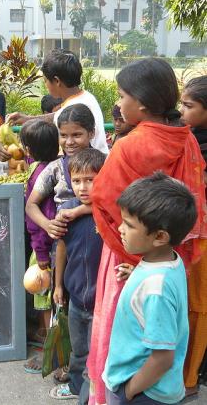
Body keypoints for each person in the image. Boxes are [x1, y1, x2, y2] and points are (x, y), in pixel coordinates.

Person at [87, 58, 207, 405]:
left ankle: (117, 392)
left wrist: (132, 257)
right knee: (162, 330)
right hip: (170, 254)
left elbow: (105, 201)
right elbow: (194, 202)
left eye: (122, 95)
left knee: (120, 328)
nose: (119, 103)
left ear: (141, 103)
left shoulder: (129, 146)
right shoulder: (186, 140)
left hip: (127, 254)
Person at [103, 172, 197, 405]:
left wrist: (128, 392)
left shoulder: (155, 289)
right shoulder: (169, 262)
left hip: (143, 392)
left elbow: (163, 358)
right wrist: (137, 276)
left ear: (159, 237)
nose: (120, 229)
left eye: (129, 225)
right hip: (146, 387)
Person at [50, 148, 106, 402]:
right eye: (77, 180)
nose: (83, 187)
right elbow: (61, 249)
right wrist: (58, 285)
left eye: (90, 180)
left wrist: (85, 210)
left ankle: (91, 392)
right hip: (75, 296)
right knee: (78, 348)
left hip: (101, 300)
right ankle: (74, 386)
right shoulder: (66, 210)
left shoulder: (109, 211)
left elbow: (109, 205)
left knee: (97, 351)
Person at [8, 49, 108, 154]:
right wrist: (28, 119)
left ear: (56, 81)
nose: (45, 85)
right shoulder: (85, 97)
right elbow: (59, 114)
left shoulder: (78, 104)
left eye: (45, 81)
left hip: (87, 166)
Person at [19, 119, 60, 373]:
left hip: (44, 248)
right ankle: (50, 340)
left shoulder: (39, 175)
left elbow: (36, 223)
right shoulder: (56, 166)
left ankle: (51, 351)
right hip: (56, 245)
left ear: (27, 149)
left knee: (44, 298)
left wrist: (41, 256)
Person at [26, 104, 95, 243]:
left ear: (91, 133)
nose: (69, 142)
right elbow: (30, 205)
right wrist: (48, 225)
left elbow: (113, 200)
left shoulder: (105, 163)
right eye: (63, 135)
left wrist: (79, 210)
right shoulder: (55, 169)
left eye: (76, 135)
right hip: (65, 243)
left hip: (98, 240)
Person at [179, 75, 207, 397]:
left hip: (202, 236)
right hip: (193, 232)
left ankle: (189, 380)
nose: (182, 112)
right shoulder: (191, 139)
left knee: (198, 305)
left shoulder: (196, 147)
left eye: (189, 106)